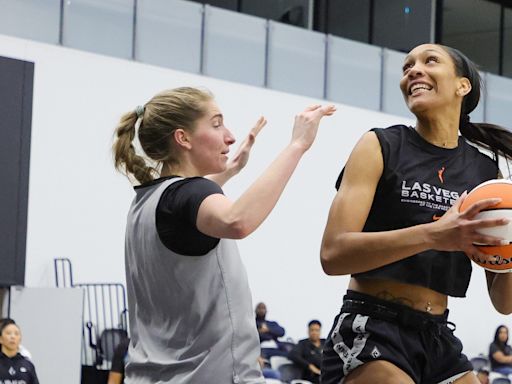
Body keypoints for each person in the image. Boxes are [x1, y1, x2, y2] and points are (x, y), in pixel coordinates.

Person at [113, 86, 335, 383]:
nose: (229, 136)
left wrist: (228, 172)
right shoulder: (189, 195)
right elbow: (237, 220)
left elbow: (185, 210)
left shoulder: (146, 203)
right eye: (216, 124)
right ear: (183, 138)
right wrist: (297, 145)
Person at [320, 43, 512, 384]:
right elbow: (333, 254)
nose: (413, 70)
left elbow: (504, 301)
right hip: (372, 326)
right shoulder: (380, 145)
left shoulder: (486, 176)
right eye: (407, 65)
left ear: (462, 85)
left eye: (430, 61)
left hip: (436, 334)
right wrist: (435, 235)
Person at [0, 319, 39, 384]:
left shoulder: (27, 364)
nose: (13, 337)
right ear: (1, 339)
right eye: (8, 333)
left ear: (20, 339)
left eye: (16, 334)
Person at [288, 319, 325, 384]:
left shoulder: (325, 343)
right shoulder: (303, 343)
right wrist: (309, 366)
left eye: (317, 330)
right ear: (308, 331)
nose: (314, 333)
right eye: (312, 330)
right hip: (311, 376)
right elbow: (292, 355)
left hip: (327, 372)